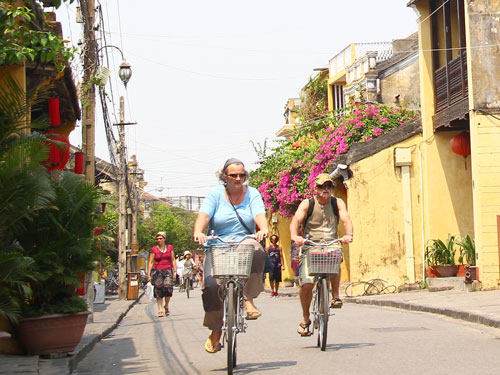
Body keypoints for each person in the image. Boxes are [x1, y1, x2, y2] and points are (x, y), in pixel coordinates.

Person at [193, 158, 268, 354]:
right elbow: (204, 215)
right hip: (218, 244)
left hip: (244, 241)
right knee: (211, 287)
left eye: (242, 175)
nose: (238, 178)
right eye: (233, 175)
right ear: (224, 177)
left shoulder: (252, 193)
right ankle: (215, 330)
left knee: (257, 250)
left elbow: (259, 213)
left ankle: (249, 298)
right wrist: (199, 231)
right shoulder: (215, 194)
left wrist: (263, 229)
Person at [290, 173, 353, 336]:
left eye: (329, 186)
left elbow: (346, 219)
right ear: (315, 188)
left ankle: (336, 296)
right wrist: (295, 236)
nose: (325, 189)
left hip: (330, 243)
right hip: (310, 245)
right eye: (321, 186)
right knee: (307, 284)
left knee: (335, 254)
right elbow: (296, 221)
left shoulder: (337, 202)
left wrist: (349, 234)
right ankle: (305, 319)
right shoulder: (307, 203)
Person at [147, 231, 176, 317]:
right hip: (157, 271)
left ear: (164, 239)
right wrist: (148, 274)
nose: (159, 240)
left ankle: (166, 305)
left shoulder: (170, 248)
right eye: (157, 239)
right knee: (158, 290)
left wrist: (174, 271)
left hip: (168, 270)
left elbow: (173, 259)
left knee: (168, 288)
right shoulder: (154, 249)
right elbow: (150, 262)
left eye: (160, 238)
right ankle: (160, 309)